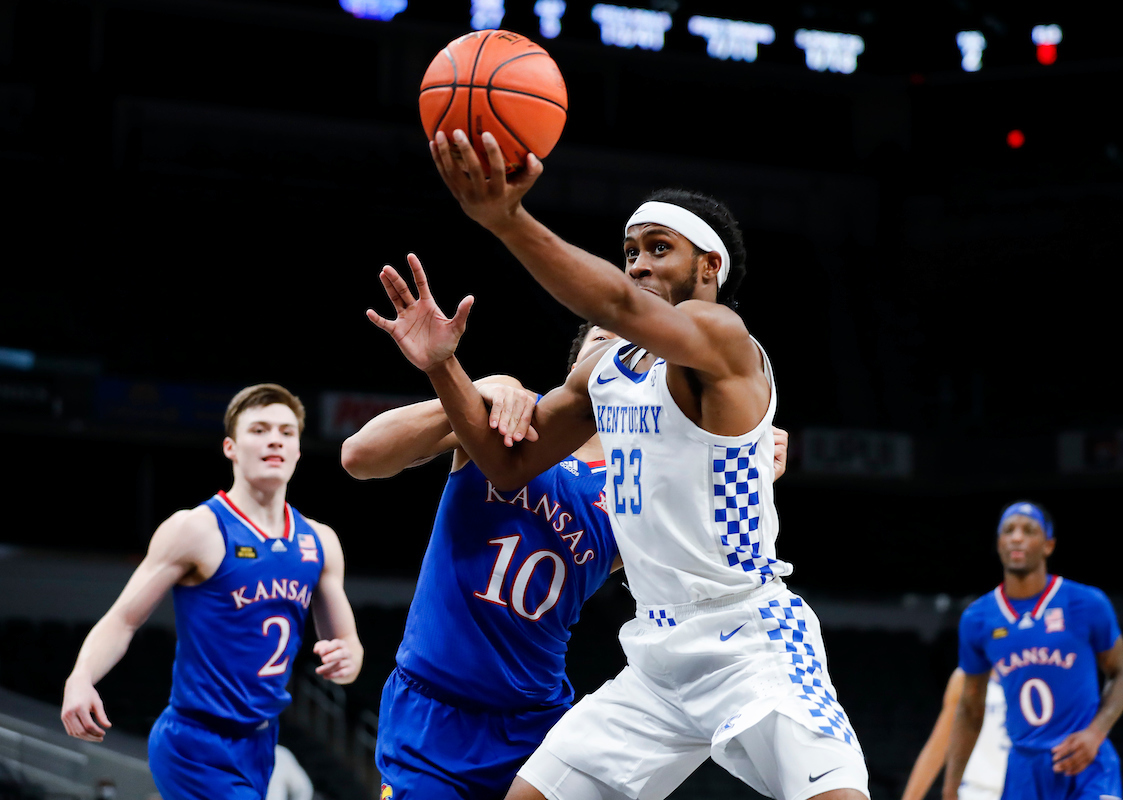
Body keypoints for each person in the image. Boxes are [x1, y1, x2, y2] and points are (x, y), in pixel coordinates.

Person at [366, 128, 871, 800]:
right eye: (630, 251)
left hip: (749, 638)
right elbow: (505, 467)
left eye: (659, 249)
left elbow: (616, 305)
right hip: (658, 653)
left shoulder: (724, 338)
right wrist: (444, 368)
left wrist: (509, 221)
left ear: (709, 269)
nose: (638, 264)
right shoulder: (606, 371)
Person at [344, 315, 792, 799]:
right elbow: (360, 456)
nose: (615, 355)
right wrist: (473, 390)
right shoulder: (512, 414)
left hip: (536, 723)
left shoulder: (643, 486)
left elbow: (698, 580)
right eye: (602, 341)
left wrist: (739, 483)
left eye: (635, 349)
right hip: (434, 711)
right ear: (577, 364)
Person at [61, 383, 363, 800]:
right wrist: (80, 678)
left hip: (261, 744)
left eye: (286, 432)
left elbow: (347, 645)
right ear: (230, 448)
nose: (274, 438)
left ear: (297, 450)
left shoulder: (321, 540)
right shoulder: (196, 529)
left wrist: (348, 660)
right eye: (258, 430)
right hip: (195, 744)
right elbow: (124, 619)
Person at [944, 502, 1123, 800]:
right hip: (1024, 770)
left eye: (1028, 530)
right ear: (999, 544)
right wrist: (950, 789)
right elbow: (969, 710)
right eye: (1009, 531)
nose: (1017, 537)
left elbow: (1121, 673)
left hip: (1087, 763)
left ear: (1048, 545)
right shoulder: (978, 618)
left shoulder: (1087, 603)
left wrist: (1097, 732)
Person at [900, 668, 1008, 800]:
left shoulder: (1034, 672)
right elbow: (937, 748)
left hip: (1023, 789)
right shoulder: (965, 677)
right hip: (975, 791)